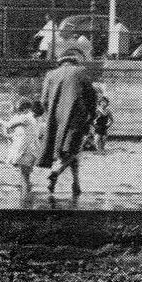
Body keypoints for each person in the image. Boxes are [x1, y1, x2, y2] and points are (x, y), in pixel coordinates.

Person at [36, 52, 97, 196]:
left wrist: (50, 115)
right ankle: (56, 172)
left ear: (61, 62)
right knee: (72, 150)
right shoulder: (80, 71)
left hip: (56, 119)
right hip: (76, 117)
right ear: (74, 62)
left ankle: (75, 183)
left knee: (64, 151)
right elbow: (91, 96)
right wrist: (91, 115)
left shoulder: (50, 74)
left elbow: (43, 100)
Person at [1, 97, 39, 193]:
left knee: (24, 177)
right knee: (26, 177)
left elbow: (9, 125)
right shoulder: (32, 118)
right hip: (32, 151)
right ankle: (27, 196)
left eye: (20, 109)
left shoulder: (25, 117)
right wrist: (7, 135)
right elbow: (20, 134)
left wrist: (0, 122)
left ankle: (24, 199)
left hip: (26, 151)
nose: (19, 112)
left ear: (25, 109)